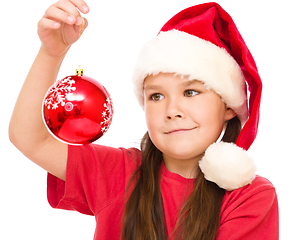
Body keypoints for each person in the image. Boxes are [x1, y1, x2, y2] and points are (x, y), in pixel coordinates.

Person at [9, 0, 279, 239]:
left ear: (229, 106)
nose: (172, 110)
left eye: (191, 92)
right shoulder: (119, 173)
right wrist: (51, 53)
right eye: (156, 96)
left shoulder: (251, 197)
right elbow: (30, 138)